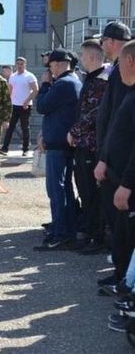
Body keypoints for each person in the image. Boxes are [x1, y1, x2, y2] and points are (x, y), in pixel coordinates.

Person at [93, 22, 132, 289]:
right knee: (118, 224)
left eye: (104, 41)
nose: (102, 46)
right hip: (114, 157)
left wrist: (104, 158)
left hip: (121, 164)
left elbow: (121, 122)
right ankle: (121, 274)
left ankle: (123, 277)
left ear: (114, 42)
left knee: (122, 226)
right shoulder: (118, 71)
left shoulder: (123, 72)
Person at [33, 49, 82, 251]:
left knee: (57, 190)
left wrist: (44, 85)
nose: (49, 70)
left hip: (59, 147)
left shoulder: (63, 84)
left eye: (51, 65)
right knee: (64, 189)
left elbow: (42, 106)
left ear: (59, 64)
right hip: (61, 144)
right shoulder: (72, 82)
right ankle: (65, 230)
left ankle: (61, 233)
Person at [66, 39, 108, 254]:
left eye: (82, 55)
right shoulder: (91, 80)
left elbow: (95, 113)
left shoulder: (101, 81)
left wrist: (74, 131)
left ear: (91, 56)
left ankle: (96, 237)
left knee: (92, 194)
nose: (80, 59)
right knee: (84, 191)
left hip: (91, 145)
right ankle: (90, 234)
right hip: (84, 144)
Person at [105, 40, 135, 332]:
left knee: (128, 242)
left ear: (130, 62)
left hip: (130, 183)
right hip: (122, 177)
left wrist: (126, 183)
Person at [0, 57, 38, 156]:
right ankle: (5, 148)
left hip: (25, 106)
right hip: (13, 105)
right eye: (18, 63)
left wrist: (27, 101)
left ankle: (25, 149)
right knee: (10, 127)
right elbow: (9, 91)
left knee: (25, 127)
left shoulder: (30, 76)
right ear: (16, 65)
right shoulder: (13, 76)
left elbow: (35, 90)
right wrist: (7, 103)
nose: (20, 65)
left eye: (22, 64)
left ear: (25, 64)